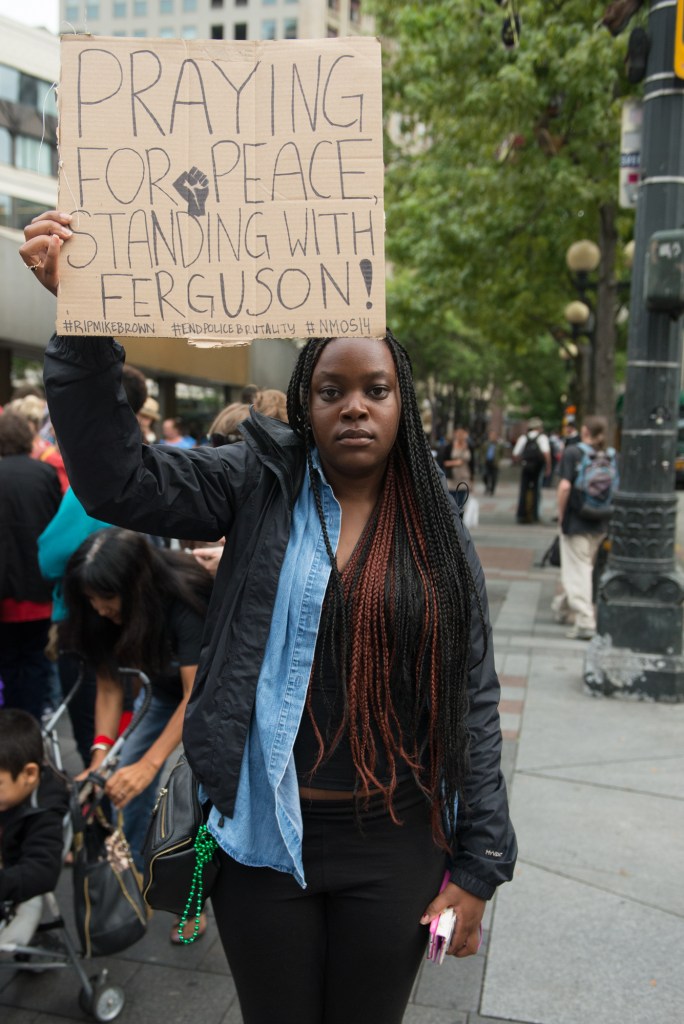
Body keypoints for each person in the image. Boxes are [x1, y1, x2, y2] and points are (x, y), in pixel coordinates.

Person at [23, 209, 516, 1024]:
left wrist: (481, 860)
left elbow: (476, 698)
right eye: (332, 391)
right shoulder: (255, 483)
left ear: (405, 406)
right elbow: (116, 480)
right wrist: (83, 329)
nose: (354, 407)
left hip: (394, 842)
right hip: (258, 838)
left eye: (375, 390)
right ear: (304, 403)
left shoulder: (435, 532)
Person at [61, 530, 212, 892]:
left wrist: (148, 766)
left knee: (197, 801)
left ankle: (189, 899)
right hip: (162, 693)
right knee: (123, 789)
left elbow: (196, 696)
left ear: (137, 587)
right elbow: (110, 687)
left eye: (107, 598)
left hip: (213, 699)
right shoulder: (98, 612)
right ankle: (137, 877)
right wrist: (100, 759)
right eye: (91, 599)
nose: (100, 608)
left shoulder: (184, 596)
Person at [0, 412, 62, 721]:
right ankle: (31, 724)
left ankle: (11, 728)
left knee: (9, 663)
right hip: (38, 585)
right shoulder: (44, 473)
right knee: (36, 662)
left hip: (6, 590)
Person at [0, 709, 70, 952]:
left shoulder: (43, 812)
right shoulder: (10, 794)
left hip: (14, 885)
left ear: (29, 774)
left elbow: (42, 871)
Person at [554, 415, 613, 640]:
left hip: (577, 520)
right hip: (600, 522)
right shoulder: (609, 454)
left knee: (578, 570)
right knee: (582, 567)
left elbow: (565, 486)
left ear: (585, 430)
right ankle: (562, 608)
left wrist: (561, 515)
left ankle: (586, 620)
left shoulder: (573, 452)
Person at [512, 416, 552, 523]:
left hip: (526, 467)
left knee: (523, 490)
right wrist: (548, 467)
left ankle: (522, 514)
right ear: (539, 427)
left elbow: (515, 454)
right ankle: (534, 515)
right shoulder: (542, 438)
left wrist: (521, 461)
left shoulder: (523, 438)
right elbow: (546, 454)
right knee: (536, 490)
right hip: (537, 468)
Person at [479, 429, 506, 495]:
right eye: (491, 435)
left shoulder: (499, 445)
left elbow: (502, 453)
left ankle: (492, 490)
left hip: (495, 463)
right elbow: (482, 452)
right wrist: (482, 460)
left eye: (494, 435)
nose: (493, 437)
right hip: (487, 462)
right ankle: (487, 487)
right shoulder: (485, 444)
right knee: (485, 475)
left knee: (494, 477)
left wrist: (499, 460)